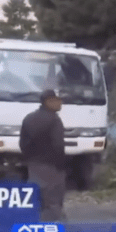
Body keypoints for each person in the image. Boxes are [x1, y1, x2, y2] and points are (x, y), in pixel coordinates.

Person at [19, 89, 67, 221]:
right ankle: (50, 230)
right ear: (48, 101)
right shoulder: (54, 121)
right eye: (56, 100)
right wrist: (61, 166)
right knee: (52, 202)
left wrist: (29, 159)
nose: (60, 103)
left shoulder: (28, 119)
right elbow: (58, 146)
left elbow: (22, 144)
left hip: (33, 167)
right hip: (51, 168)